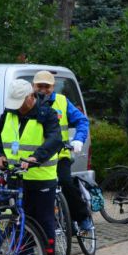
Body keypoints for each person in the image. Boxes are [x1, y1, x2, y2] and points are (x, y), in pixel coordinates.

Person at [0, 80, 63, 255]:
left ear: (30, 97)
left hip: (41, 178)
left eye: (20, 102)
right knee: (19, 224)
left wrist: (35, 157)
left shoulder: (47, 115)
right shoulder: (9, 113)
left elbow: (55, 139)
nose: (16, 107)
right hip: (16, 176)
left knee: (43, 224)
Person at [33, 71, 92, 232]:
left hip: (60, 156)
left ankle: (82, 217)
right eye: (40, 86)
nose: (43, 89)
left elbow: (81, 120)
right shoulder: (29, 103)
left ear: (53, 87)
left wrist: (79, 139)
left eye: (47, 86)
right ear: (33, 86)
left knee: (66, 183)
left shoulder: (62, 102)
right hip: (38, 158)